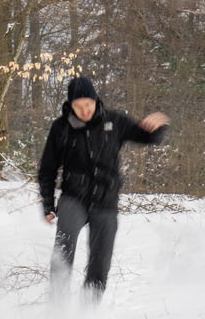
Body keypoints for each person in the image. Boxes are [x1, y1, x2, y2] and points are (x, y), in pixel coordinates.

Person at [37, 75, 169, 296]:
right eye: (79, 106)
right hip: (73, 197)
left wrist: (157, 128)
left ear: (96, 100)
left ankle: (89, 308)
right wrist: (48, 205)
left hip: (106, 200)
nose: (84, 110)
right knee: (64, 245)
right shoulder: (61, 128)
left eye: (88, 104)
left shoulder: (114, 121)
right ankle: (57, 303)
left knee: (101, 261)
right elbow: (47, 169)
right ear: (70, 106)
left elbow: (146, 137)